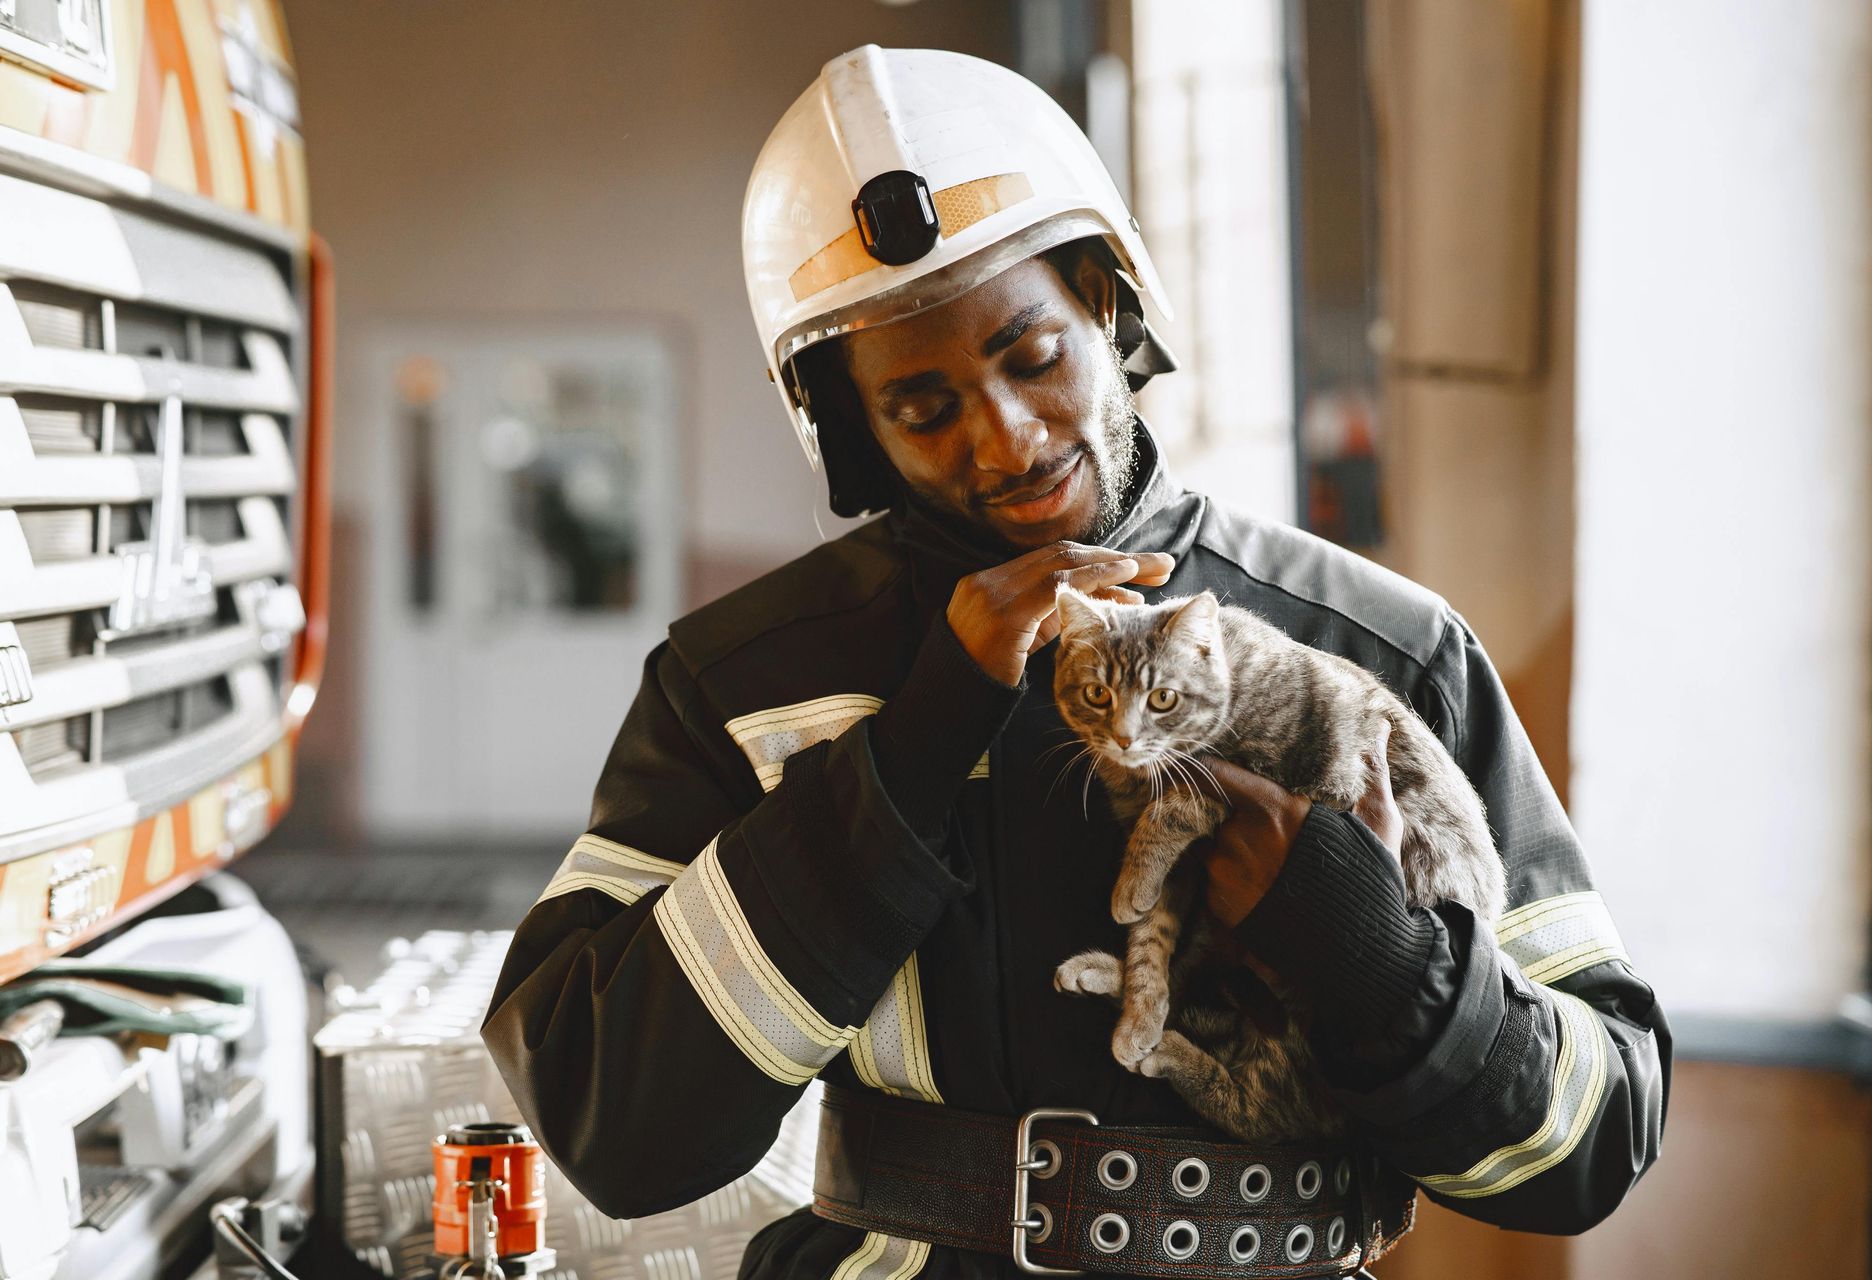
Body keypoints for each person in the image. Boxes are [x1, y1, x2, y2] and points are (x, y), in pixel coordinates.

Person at [482, 45, 1668, 1280]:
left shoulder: (1377, 648)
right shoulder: (745, 684)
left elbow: (1594, 1146)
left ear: (1105, 299)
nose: (1007, 437)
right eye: (924, 408)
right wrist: (913, 746)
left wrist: (1374, 954)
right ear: (852, 426)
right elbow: (605, 1125)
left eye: (1031, 352)